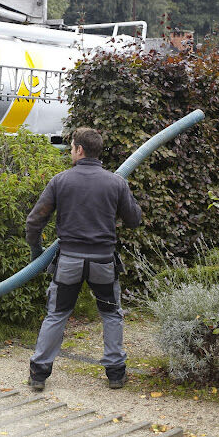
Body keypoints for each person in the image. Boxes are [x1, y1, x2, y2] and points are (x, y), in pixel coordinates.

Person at [25, 127, 142, 391]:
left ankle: (39, 375)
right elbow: (134, 220)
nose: (70, 152)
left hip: (69, 263)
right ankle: (115, 374)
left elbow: (34, 221)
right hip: (103, 262)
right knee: (111, 315)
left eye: (72, 147)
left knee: (56, 315)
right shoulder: (116, 182)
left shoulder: (60, 181)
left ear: (79, 149)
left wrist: (36, 251)